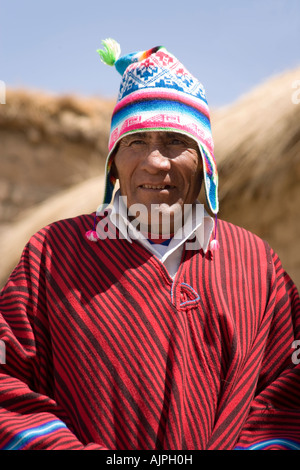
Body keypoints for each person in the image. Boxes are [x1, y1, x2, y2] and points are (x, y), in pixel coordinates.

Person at [0, 38, 299, 451]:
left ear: (205, 162)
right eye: (137, 141)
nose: (156, 162)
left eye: (176, 142)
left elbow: (288, 387)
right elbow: (5, 377)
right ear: (114, 163)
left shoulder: (256, 265)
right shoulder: (52, 253)